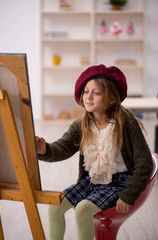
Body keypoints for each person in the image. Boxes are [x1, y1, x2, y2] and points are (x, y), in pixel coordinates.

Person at [36, 64, 153, 240]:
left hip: (119, 183)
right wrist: (44, 149)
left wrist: (129, 194)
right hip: (91, 181)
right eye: (86, 91)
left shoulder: (126, 123)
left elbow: (145, 162)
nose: (88, 97)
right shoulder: (81, 125)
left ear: (112, 99)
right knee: (54, 207)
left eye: (96, 93)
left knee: (82, 210)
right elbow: (63, 148)